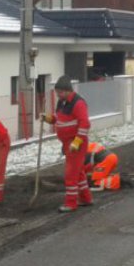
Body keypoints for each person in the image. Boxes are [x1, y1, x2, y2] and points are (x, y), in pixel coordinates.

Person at [41, 75, 92, 212]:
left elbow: (84, 124)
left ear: (68, 90)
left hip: (76, 143)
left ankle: (71, 203)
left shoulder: (78, 103)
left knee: (71, 174)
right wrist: (49, 118)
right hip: (67, 143)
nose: (58, 94)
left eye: (60, 92)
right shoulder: (62, 102)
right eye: (57, 92)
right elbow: (59, 118)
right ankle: (86, 198)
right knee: (78, 172)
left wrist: (77, 141)